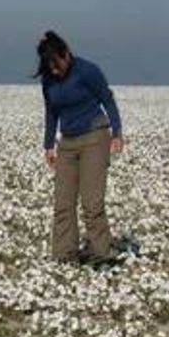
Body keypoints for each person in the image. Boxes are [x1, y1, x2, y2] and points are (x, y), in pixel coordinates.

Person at [34, 30, 125, 265]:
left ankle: (102, 253)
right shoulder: (49, 80)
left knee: (92, 202)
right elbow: (51, 112)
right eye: (50, 68)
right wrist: (48, 145)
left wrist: (116, 133)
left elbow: (107, 98)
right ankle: (65, 254)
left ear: (66, 55)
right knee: (62, 202)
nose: (55, 71)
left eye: (57, 65)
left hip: (94, 137)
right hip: (67, 142)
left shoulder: (87, 71)